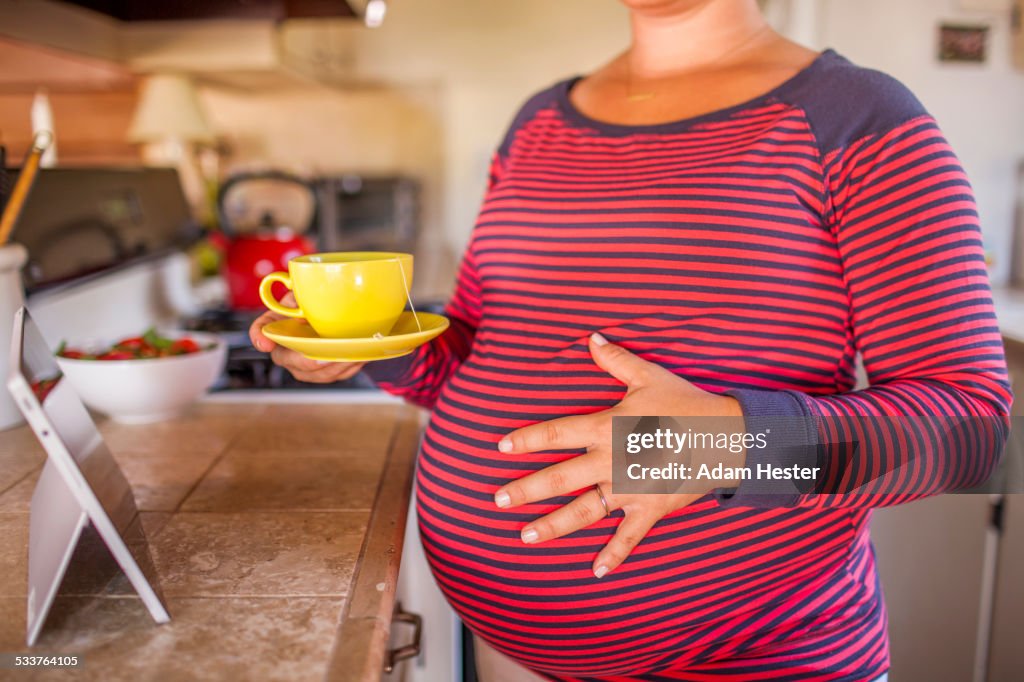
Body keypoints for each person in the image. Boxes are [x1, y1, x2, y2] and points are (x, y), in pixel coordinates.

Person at [250, 0, 1011, 679]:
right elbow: (474, 362)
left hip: (755, 660)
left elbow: (973, 431)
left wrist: (714, 447)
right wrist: (371, 344)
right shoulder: (539, 122)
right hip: (509, 656)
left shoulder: (857, 115)